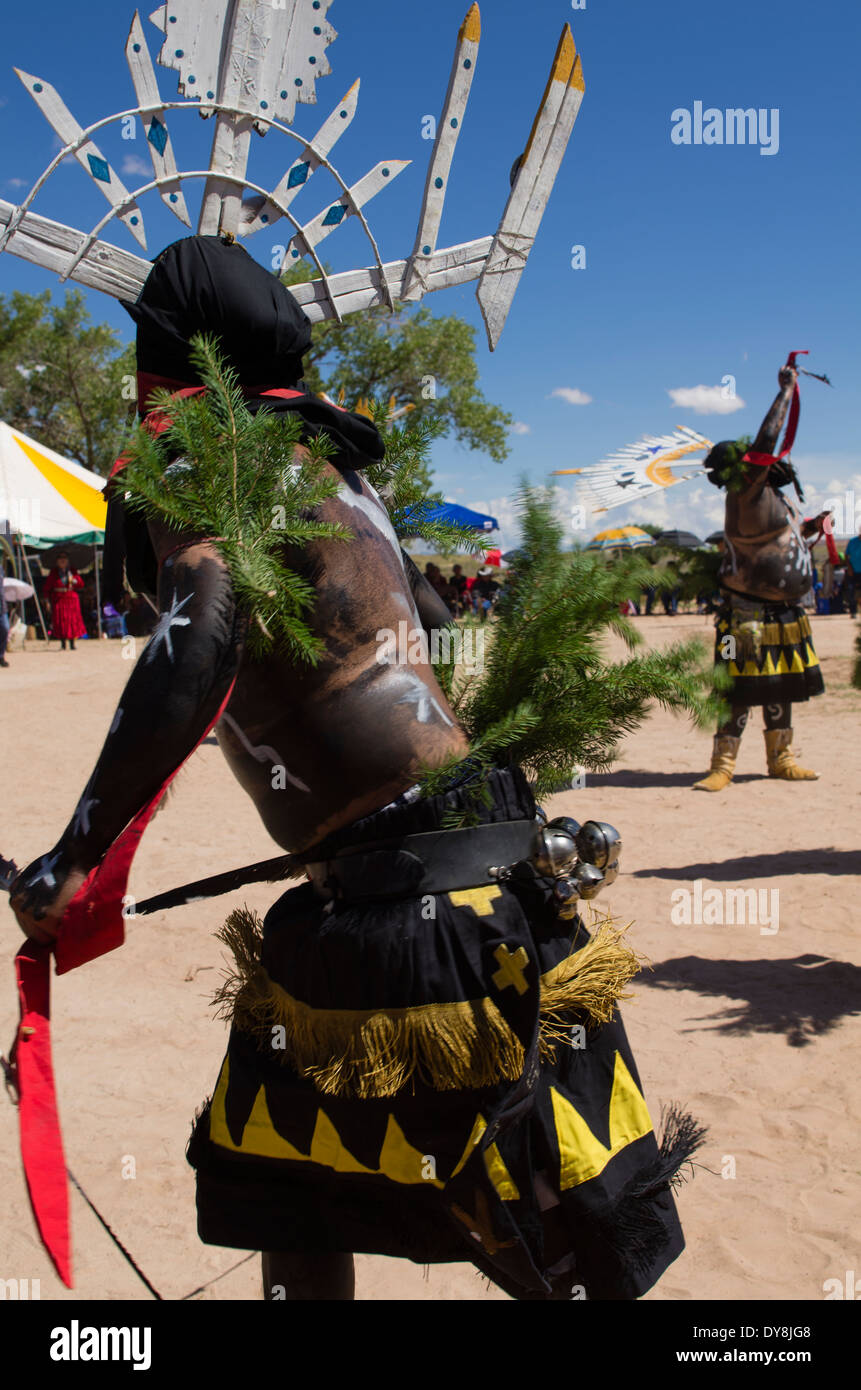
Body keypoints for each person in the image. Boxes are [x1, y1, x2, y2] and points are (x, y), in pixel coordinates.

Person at [11, 234, 694, 1303]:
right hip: (451, 869)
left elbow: (200, 631)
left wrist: (78, 852)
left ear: (165, 360)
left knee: (541, 1239)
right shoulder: (335, 470)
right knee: (294, 1181)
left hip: (411, 911)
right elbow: (420, 616)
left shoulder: (213, 457)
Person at [693, 359, 830, 791]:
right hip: (740, 617)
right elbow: (767, 440)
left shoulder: (776, 501)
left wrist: (809, 530)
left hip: (786, 617)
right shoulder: (746, 490)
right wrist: (786, 391)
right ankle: (723, 765)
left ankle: (781, 758)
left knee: (781, 685)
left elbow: (780, 548)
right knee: (732, 685)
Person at [44, 551, 87, 650]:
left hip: (71, 598)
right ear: (57, 561)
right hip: (59, 599)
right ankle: (63, 644)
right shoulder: (54, 572)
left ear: (68, 560)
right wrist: (47, 601)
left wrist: (74, 579)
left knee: (72, 620)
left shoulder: (72, 571)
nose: (62, 560)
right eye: (60, 558)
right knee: (61, 621)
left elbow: (81, 584)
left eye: (64, 558)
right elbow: (47, 588)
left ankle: (72, 643)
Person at [844, 525, 861, 618]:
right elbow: (846, 556)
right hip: (853, 571)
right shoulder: (852, 541)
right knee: (851, 591)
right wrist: (849, 568)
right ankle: (853, 611)